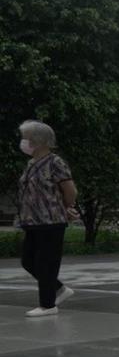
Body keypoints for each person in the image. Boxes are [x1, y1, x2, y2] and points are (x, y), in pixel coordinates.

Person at [15, 121, 79, 318]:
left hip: (50, 220)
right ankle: (59, 289)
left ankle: (48, 305)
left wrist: (66, 207)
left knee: (46, 263)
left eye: (26, 138)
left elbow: (70, 190)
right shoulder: (31, 163)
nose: (23, 142)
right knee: (28, 261)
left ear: (38, 140)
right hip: (32, 220)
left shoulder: (55, 162)